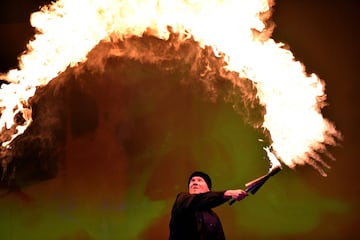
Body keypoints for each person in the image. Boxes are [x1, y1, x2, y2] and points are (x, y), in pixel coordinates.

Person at [169, 171, 248, 240]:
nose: (195, 182)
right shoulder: (182, 199)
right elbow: (196, 200)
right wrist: (226, 194)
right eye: (192, 181)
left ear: (208, 190)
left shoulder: (213, 217)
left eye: (200, 180)